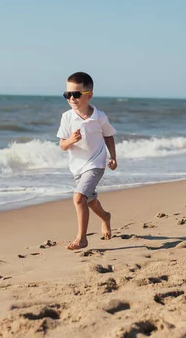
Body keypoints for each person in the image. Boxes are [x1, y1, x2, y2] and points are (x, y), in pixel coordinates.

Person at [57, 72, 118, 250]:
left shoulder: (99, 117)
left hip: (96, 164)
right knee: (89, 201)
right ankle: (105, 217)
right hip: (77, 167)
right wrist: (70, 141)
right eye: (67, 95)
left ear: (88, 95)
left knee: (78, 197)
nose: (71, 98)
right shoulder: (67, 117)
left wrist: (113, 156)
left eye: (76, 94)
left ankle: (81, 238)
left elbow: (109, 135)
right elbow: (62, 145)